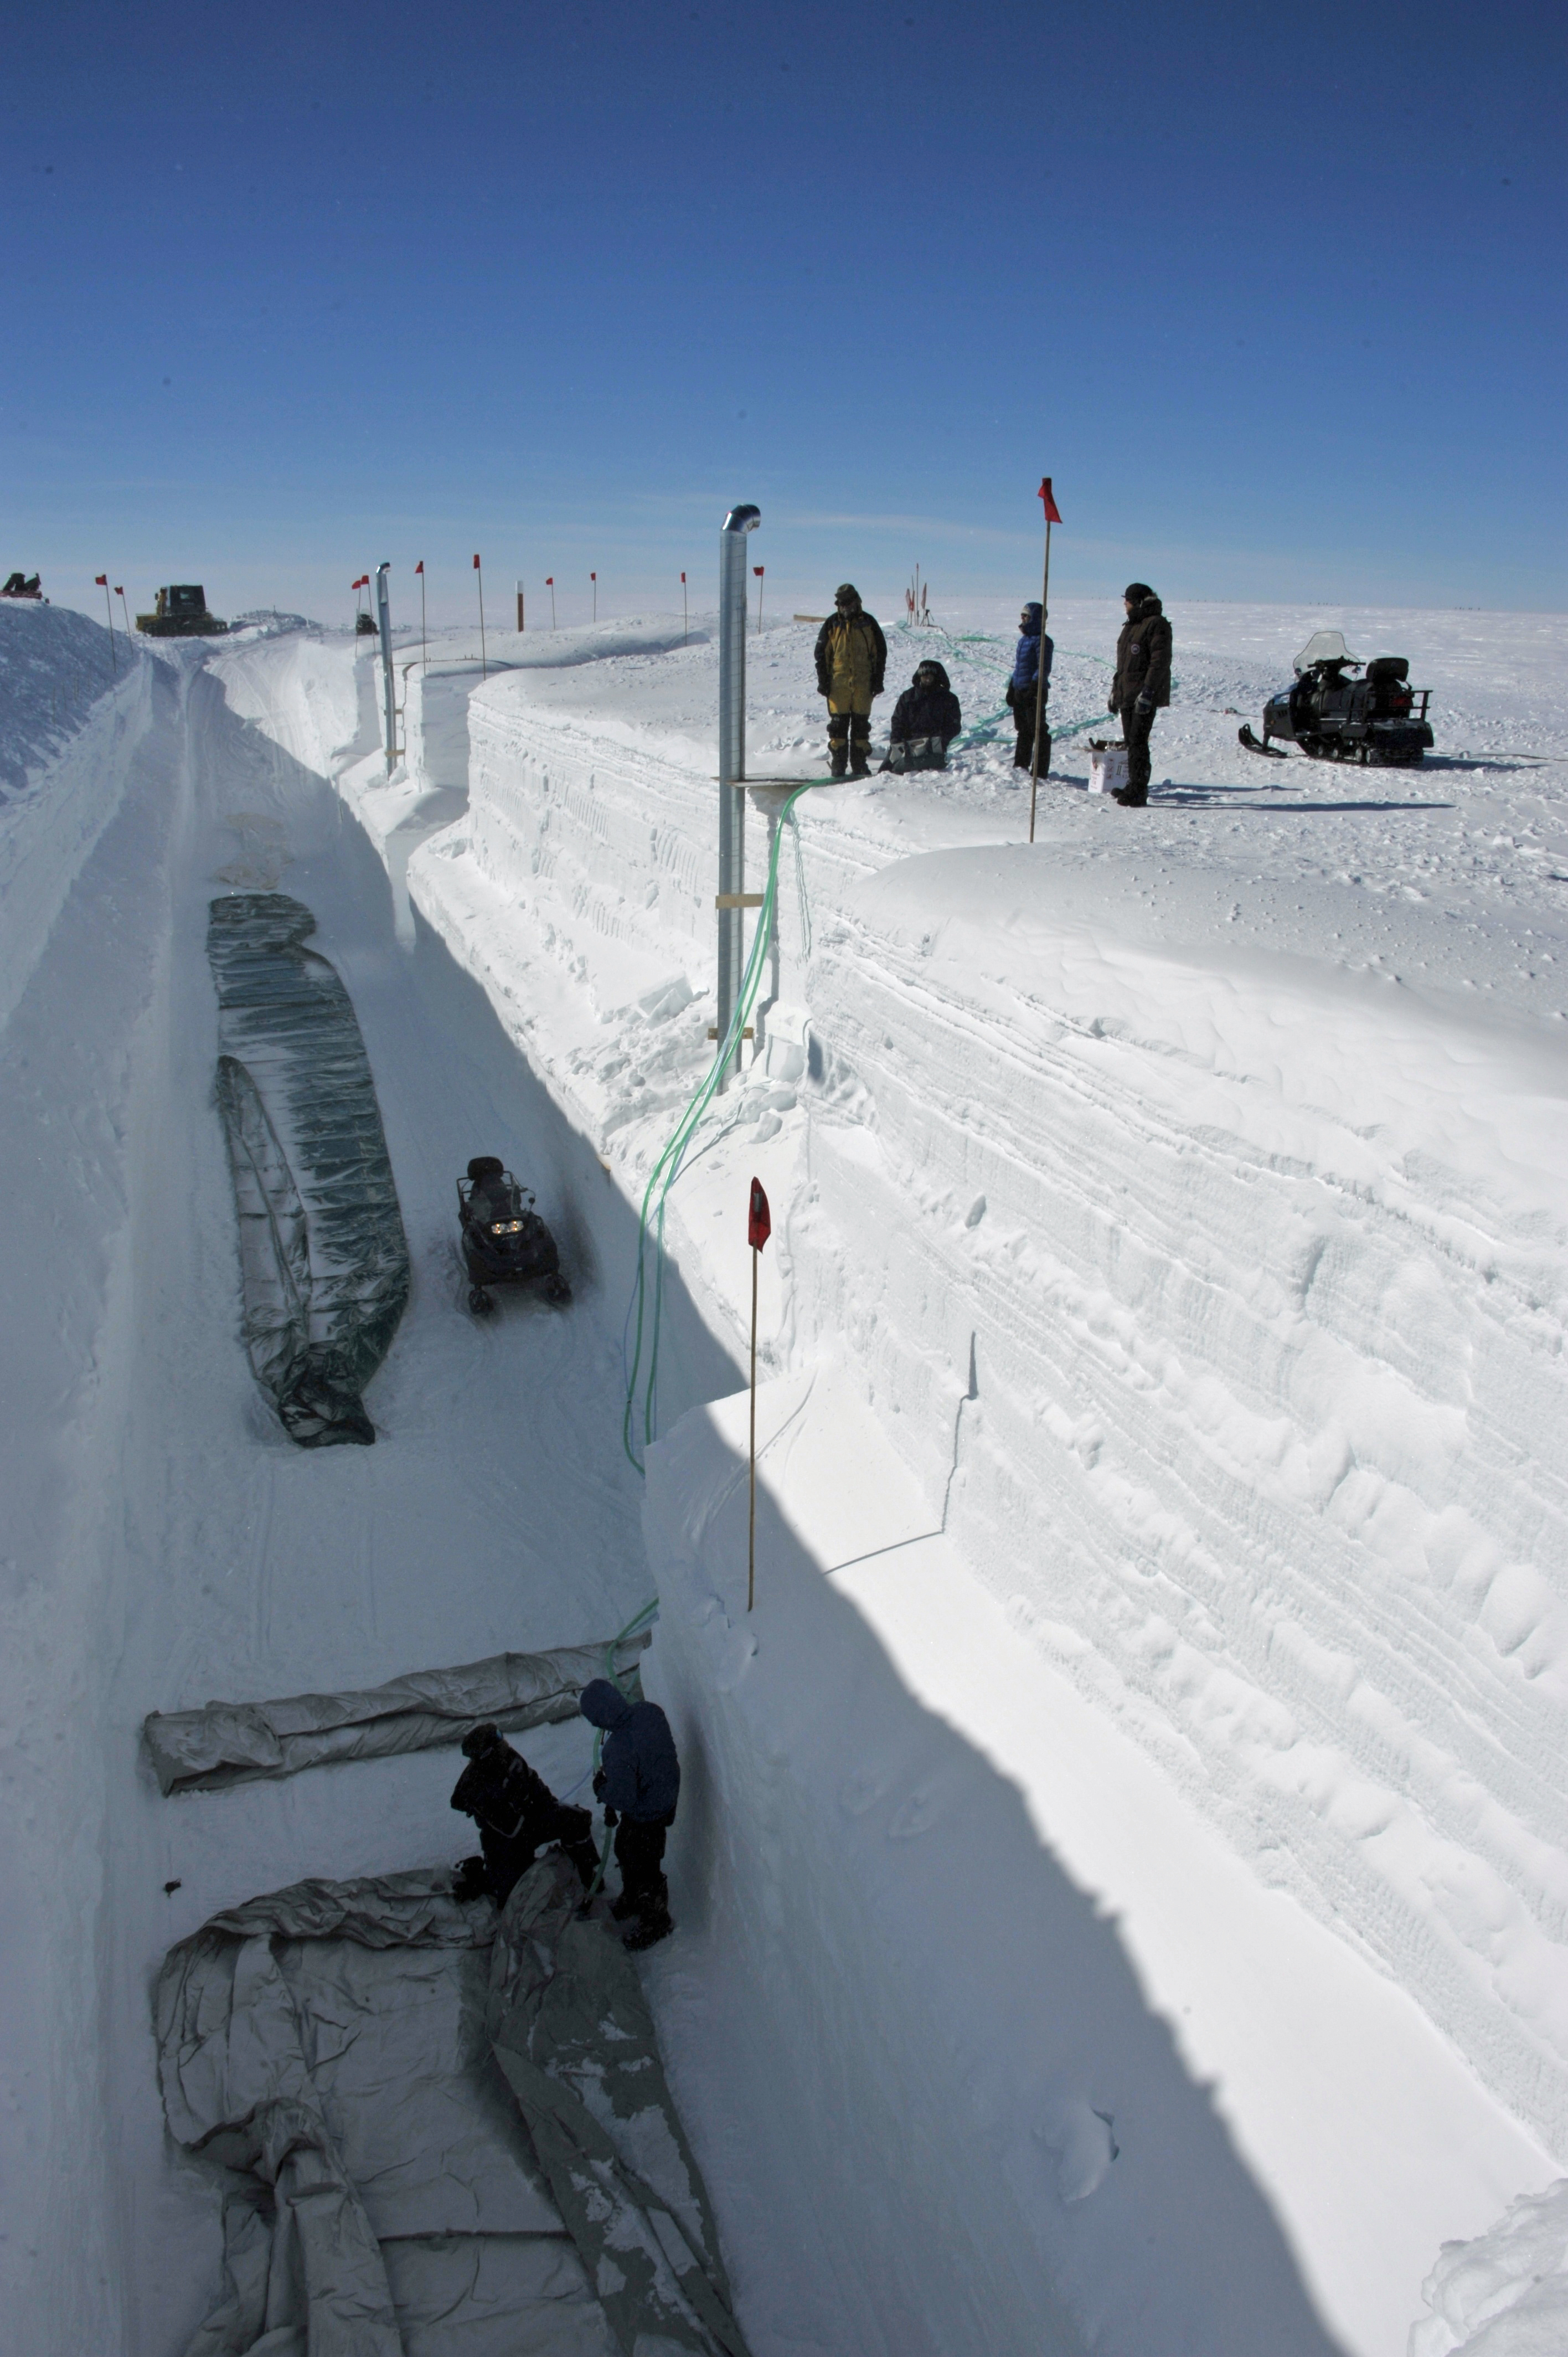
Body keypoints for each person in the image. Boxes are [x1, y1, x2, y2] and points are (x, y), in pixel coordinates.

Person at [579, 1676, 681, 1951]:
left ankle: (656, 1920)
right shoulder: (649, 1711)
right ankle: (633, 1897)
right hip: (666, 1795)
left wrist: (602, 1789)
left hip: (647, 1810)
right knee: (625, 1847)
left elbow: (625, 1797)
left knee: (643, 1862)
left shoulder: (618, 1750)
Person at [450, 1722, 599, 1905]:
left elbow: (533, 1782)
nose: (505, 1745)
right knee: (512, 1898)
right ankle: (495, 1876)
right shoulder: (476, 1789)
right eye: (498, 1744)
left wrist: (551, 1807)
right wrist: (544, 1818)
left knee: (576, 1819)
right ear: (486, 1755)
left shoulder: (506, 1757)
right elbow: (512, 1829)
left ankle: (586, 1874)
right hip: (505, 1841)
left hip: (527, 1822)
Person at [1108, 583, 1172, 808]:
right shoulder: (1131, 626)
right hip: (1127, 694)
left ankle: (1139, 789)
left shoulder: (1157, 625)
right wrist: (1115, 692)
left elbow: (1159, 662)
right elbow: (1124, 666)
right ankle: (1133, 783)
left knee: (1138, 741)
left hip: (1144, 695)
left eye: (1127, 599)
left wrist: (1149, 692)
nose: (1124, 603)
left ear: (1137, 601)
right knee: (1131, 742)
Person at [813, 584, 887, 778]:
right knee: (838, 728)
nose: (845, 607)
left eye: (848, 603)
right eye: (842, 604)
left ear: (857, 602)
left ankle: (859, 764)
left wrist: (878, 680)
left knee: (861, 727)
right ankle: (838, 765)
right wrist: (824, 681)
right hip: (838, 687)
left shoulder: (869, 624)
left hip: (863, 685)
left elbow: (880, 654)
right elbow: (821, 655)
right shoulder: (832, 624)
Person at [883, 658, 962, 772]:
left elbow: (954, 725)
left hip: (934, 746)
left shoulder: (948, 699)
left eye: (930, 676)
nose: (928, 679)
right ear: (919, 676)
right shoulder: (908, 697)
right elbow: (898, 721)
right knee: (888, 770)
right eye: (924, 676)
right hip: (908, 745)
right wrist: (897, 740)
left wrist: (941, 739)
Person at [1004, 602, 1054, 775]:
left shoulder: (1043, 641)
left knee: (1038, 729)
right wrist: (1012, 686)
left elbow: (1043, 667)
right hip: (1020, 689)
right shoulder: (1023, 640)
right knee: (1023, 729)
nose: (1023, 618)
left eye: (1026, 616)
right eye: (1022, 615)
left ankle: (1039, 771)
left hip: (1034, 691)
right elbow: (1020, 667)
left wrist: (1035, 686)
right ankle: (1021, 765)